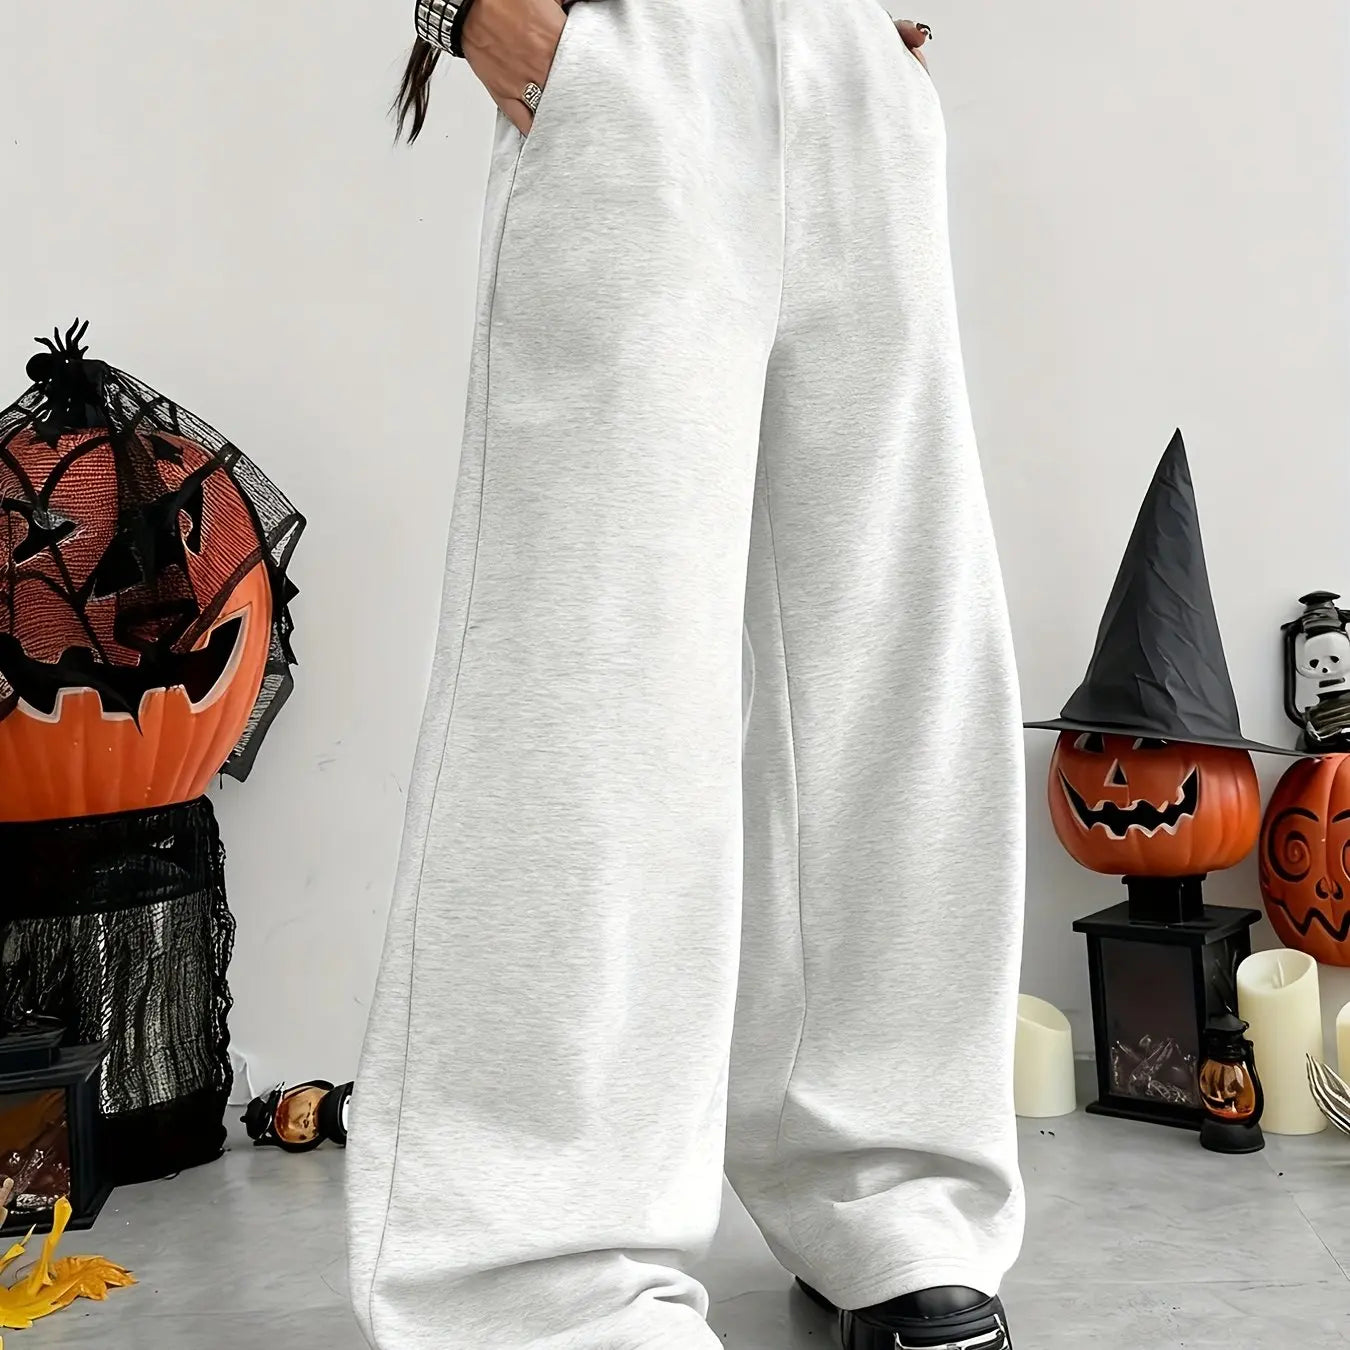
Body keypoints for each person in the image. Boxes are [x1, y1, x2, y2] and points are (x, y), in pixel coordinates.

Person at [346, 2, 1026, 1348]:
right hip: (624, 51)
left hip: (850, 70)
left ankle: (885, 1192)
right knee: (593, 681)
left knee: (894, 656)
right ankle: (539, 1277)